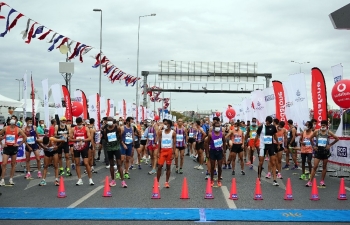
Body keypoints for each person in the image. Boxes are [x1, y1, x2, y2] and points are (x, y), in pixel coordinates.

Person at [306, 120, 339, 187]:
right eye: (322, 125)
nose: (323, 126)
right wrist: (313, 146)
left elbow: (337, 138)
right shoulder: (317, 131)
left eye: (324, 125)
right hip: (318, 150)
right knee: (315, 167)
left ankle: (322, 181)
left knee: (324, 167)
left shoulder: (328, 132)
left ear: (326, 126)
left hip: (325, 151)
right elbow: (310, 138)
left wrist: (330, 145)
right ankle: (310, 181)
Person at [0, 117, 27, 186]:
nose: (12, 120)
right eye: (11, 119)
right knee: (4, 164)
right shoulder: (6, 128)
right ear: (9, 121)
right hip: (7, 148)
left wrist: (19, 144)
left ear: (15, 121)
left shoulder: (18, 129)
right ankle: (2, 179)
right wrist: (2, 143)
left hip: (14, 148)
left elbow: (25, 137)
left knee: (13, 164)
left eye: (14, 119)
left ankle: (11, 179)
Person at [255, 116, 280, 186]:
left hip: (271, 146)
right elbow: (257, 136)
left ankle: (275, 180)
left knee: (273, 162)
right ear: (266, 121)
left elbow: (275, 136)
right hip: (263, 146)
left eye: (270, 123)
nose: (268, 124)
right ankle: (259, 178)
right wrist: (255, 144)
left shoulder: (273, 127)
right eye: (268, 122)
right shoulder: (261, 127)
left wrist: (277, 143)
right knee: (260, 163)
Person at [69, 117, 94, 186]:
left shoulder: (86, 128)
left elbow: (89, 138)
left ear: (82, 123)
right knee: (77, 163)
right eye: (78, 124)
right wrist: (76, 140)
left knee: (86, 163)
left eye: (80, 124)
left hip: (84, 147)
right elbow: (70, 139)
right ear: (76, 123)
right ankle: (79, 179)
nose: (79, 125)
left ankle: (90, 179)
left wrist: (83, 140)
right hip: (76, 148)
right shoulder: (73, 129)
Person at [104, 117, 127, 187]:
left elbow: (120, 138)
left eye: (110, 121)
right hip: (109, 148)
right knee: (111, 164)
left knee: (119, 164)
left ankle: (123, 181)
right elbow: (105, 138)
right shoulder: (105, 130)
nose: (109, 122)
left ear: (113, 121)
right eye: (108, 121)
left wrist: (122, 144)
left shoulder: (117, 128)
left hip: (116, 147)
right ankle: (113, 180)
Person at [156, 119, 176, 188]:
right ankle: (157, 182)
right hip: (162, 151)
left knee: (168, 167)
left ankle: (166, 182)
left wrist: (173, 153)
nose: (164, 125)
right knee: (159, 166)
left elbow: (174, 144)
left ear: (169, 125)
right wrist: (158, 152)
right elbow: (159, 142)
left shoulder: (173, 132)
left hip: (169, 151)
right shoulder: (161, 132)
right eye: (164, 124)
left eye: (166, 124)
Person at [206, 121, 226, 187]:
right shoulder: (210, 134)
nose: (217, 128)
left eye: (218, 126)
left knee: (220, 166)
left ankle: (219, 180)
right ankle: (211, 180)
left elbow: (224, 143)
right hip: (212, 151)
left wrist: (224, 151)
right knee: (212, 166)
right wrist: (207, 153)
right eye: (216, 126)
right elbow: (207, 144)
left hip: (219, 151)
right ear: (214, 127)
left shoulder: (222, 134)